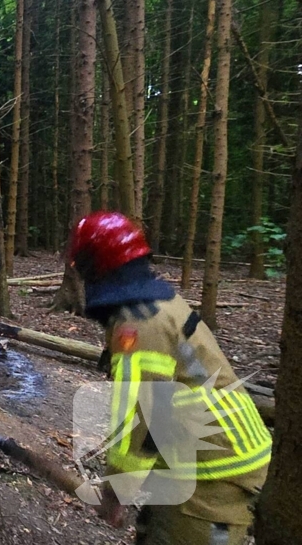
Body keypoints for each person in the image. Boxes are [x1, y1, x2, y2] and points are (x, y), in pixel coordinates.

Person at [69, 211, 269, 545]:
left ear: (93, 267)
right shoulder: (156, 304)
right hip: (205, 460)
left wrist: (117, 490)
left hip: (213, 474)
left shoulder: (138, 325)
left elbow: (140, 417)